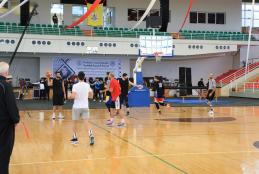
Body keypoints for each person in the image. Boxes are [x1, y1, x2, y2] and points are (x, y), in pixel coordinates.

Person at [0, 62, 20, 174]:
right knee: (3, 158)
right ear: (6, 73)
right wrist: (16, 119)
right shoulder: (5, 86)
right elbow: (11, 106)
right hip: (4, 127)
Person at [69, 71, 94, 145]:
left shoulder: (75, 86)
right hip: (85, 106)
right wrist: (85, 96)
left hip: (76, 107)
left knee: (74, 123)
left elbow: (73, 96)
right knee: (86, 123)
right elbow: (91, 96)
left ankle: (75, 138)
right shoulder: (87, 85)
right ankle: (91, 135)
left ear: (77, 77)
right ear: (84, 77)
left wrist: (69, 95)